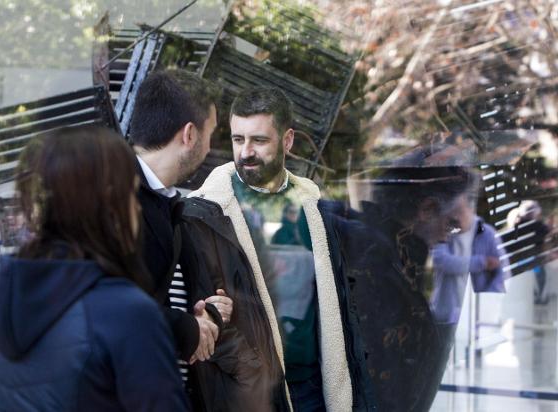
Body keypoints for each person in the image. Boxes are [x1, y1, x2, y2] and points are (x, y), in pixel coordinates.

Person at [185, 87, 375, 411]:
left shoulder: (312, 205)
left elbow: (337, 298)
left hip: (315, 387)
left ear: (287, 141)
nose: (246, 152)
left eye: (259, 140)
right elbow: (202, 314)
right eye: (237, 139)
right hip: (250, 393)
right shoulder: (206, 212)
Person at [0, 125, 188, 411]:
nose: (139, 209)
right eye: (131, 195)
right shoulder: (125, 312)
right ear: (107, 205)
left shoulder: (12, 291)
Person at [345, 145, 478, 412]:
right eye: (449, 224)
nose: (445, 237)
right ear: (427, 209)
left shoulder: (387, 255)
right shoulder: (380, 267)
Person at [128, 70, 232, 400]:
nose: (210, 146)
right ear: (189, 134)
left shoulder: (160, 196)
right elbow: (120, 307)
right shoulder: (118, 198)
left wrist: (206, 313)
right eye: (211, 133)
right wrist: (190, 330)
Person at [430, 188, 508, 325]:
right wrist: (482, 263)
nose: (455, 217)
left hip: (478, 317)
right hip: (444, 314)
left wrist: (486, 302)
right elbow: (441, 261)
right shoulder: (444, 231)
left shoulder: (488, 234)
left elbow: (504, 273)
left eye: (459, 211)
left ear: (472, 209)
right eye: (451, 211)